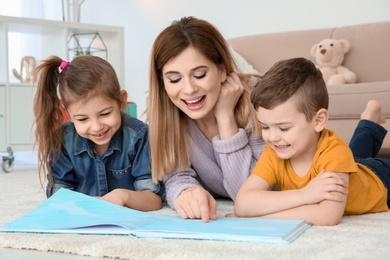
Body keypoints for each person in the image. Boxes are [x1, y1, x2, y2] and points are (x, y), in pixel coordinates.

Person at [234, 57, 390, 226]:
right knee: (354, 158)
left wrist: (260, 217)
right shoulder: (274, 151)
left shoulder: (335, 152)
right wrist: (305, 194)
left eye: (284, 128)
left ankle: (368, 122)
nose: (272, 137)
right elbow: (242, 204)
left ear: (318, 121)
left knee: (352, 158)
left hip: (381, 179)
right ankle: (369, 120)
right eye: (265, 127)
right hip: (351, 167)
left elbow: (327, 216)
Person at [147, 16, 265, 222]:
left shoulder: (257, 101)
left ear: (221, 71)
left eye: (199, 75)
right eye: (174, 79)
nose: (189, 89)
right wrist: (186, 193)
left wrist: (225, 117)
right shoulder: (167, 113)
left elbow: (249, 194)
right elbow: (176, 177)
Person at [33, 55, 164, 211]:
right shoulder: (62, 140)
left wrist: (123, 196)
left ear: (121, 101)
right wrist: (85, 204)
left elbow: (153, 199)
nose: (96, 127)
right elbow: (58, 199)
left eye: (105, 114)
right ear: (68, 112)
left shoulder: (139, 136)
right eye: (82, 119)